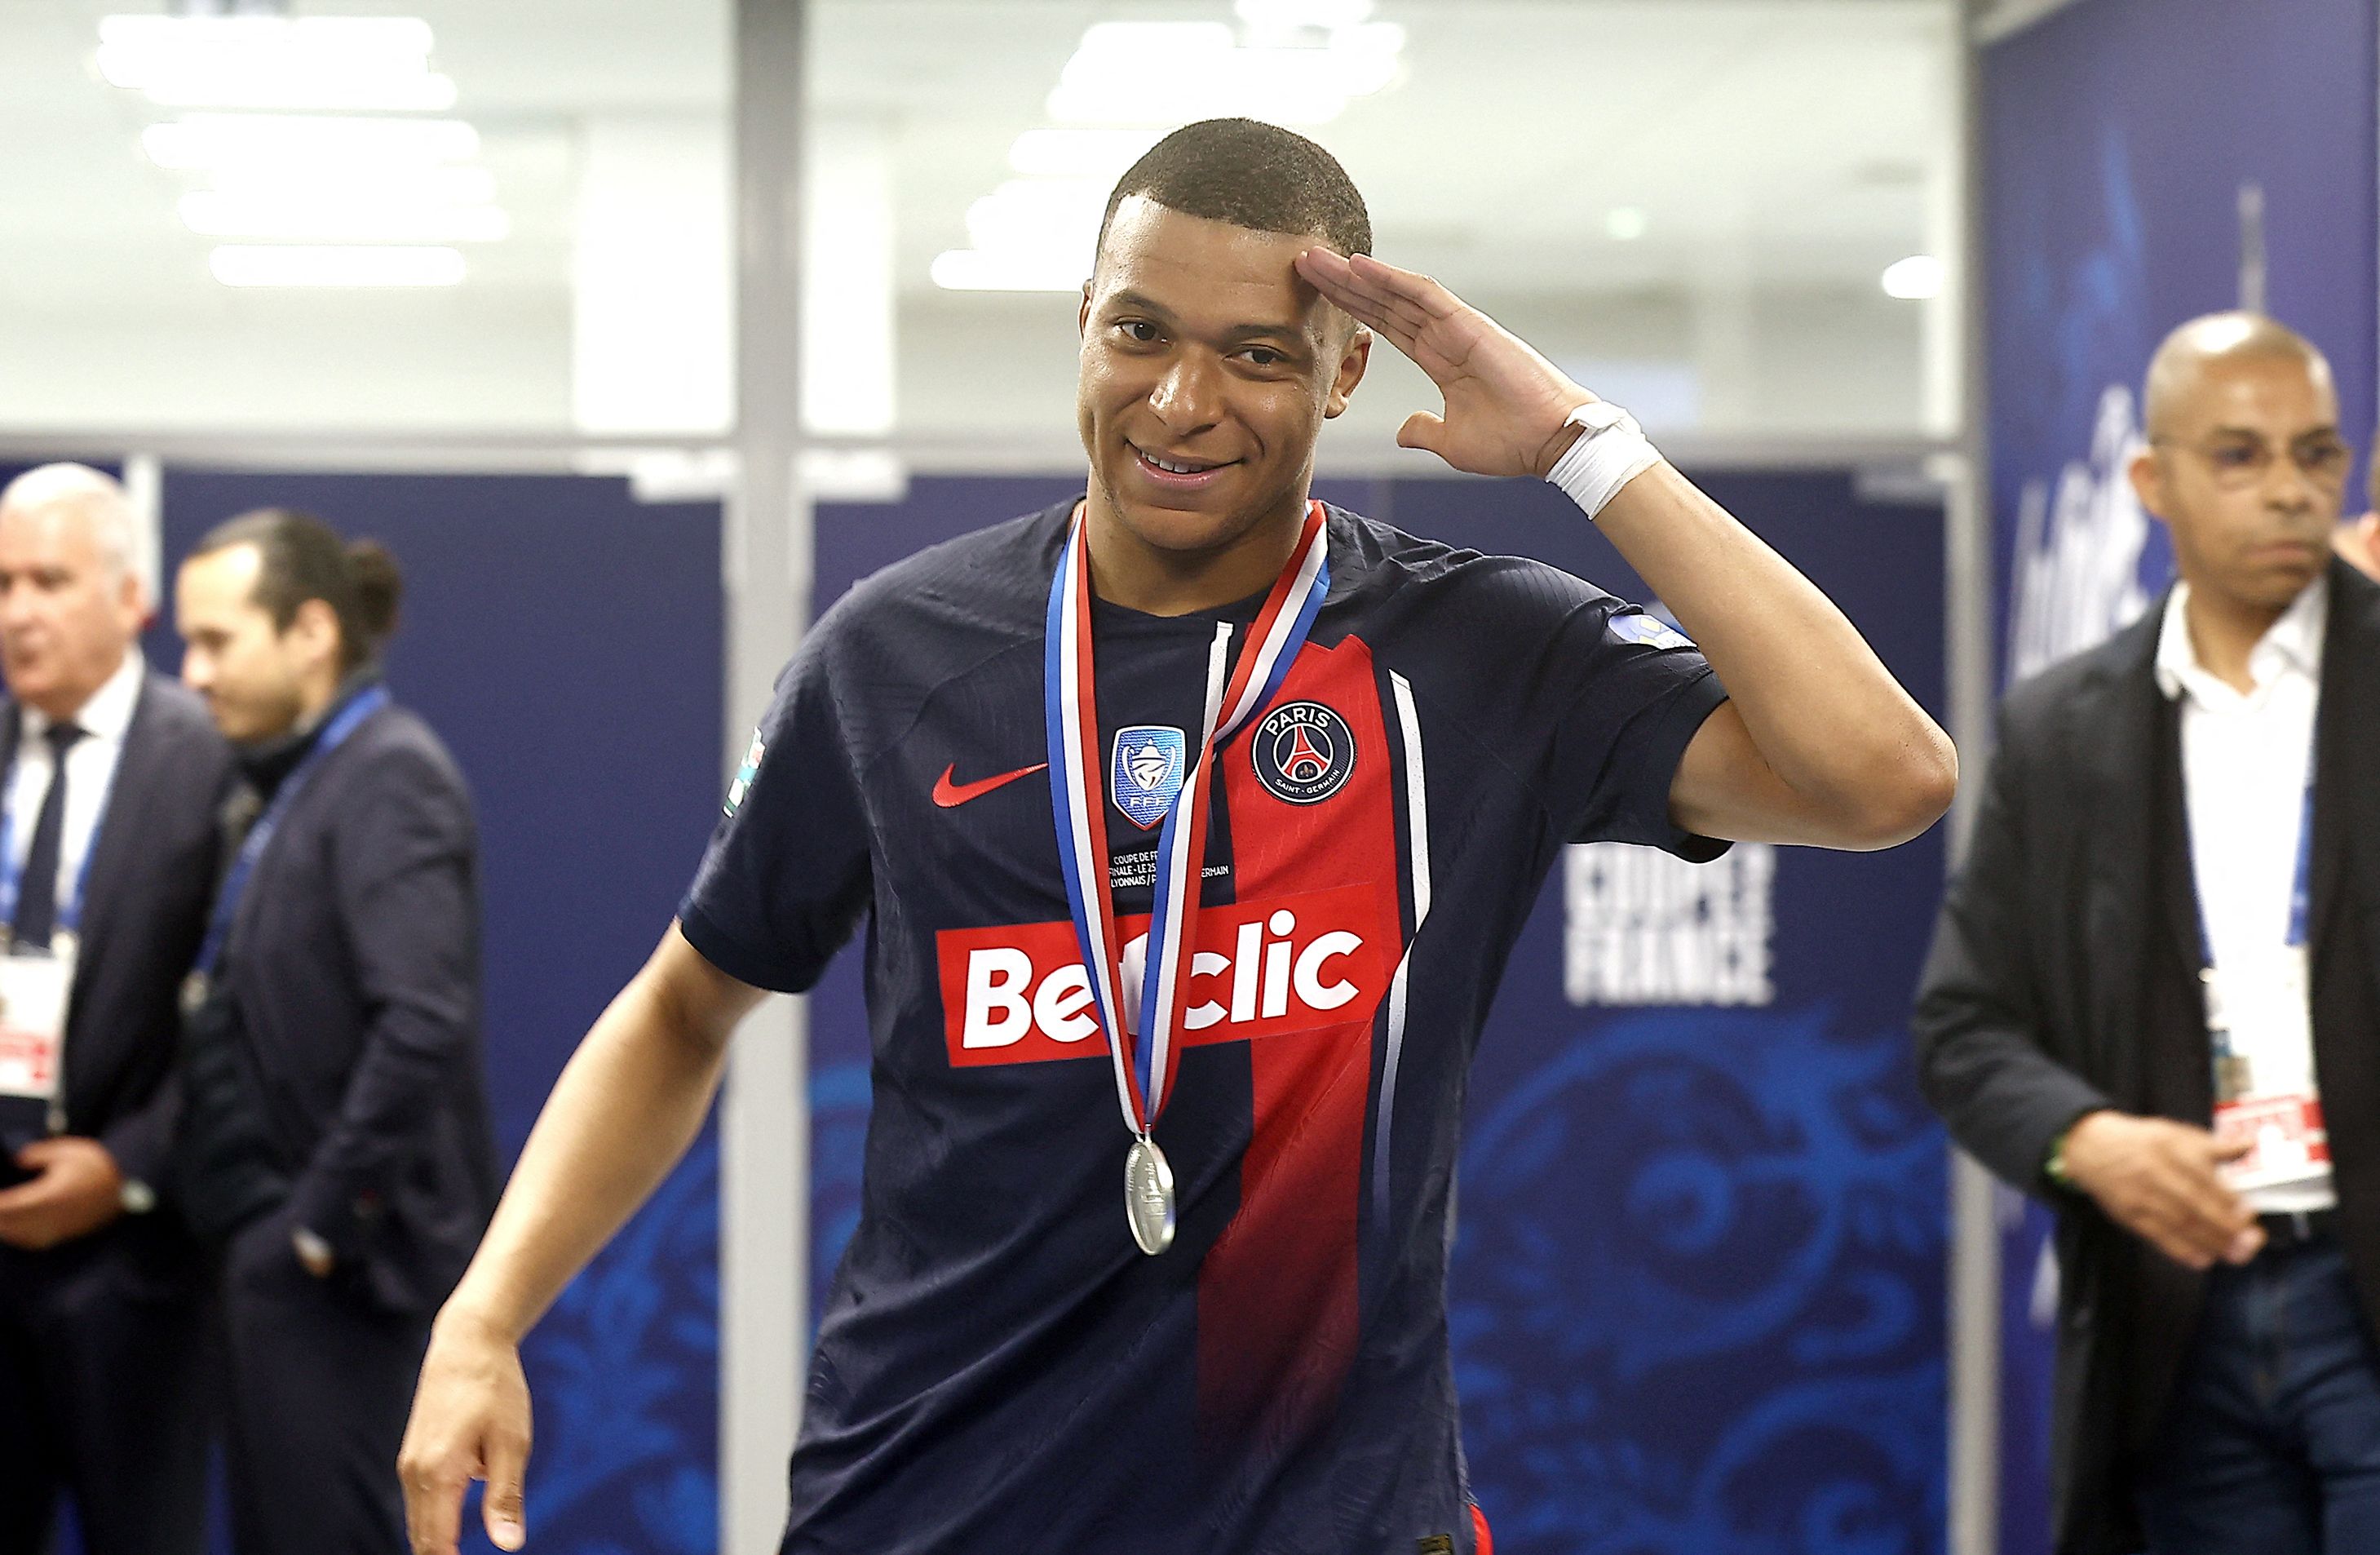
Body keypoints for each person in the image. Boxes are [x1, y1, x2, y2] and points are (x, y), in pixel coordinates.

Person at [400, 117, 1954, 1555]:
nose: (1180, 402)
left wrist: (1582, 447)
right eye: (1137, 330)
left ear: (1343, 376)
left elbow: (1880, 777)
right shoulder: (896, 655)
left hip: (1331, 1514)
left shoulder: (1472, 656)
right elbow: (687, 1001)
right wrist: (485, 1315)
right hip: (932, 1501)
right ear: (1080, 319)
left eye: (1257, 355)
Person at [1915, 312, 2380, 1553]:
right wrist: (2085, 1141)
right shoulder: (2062, 731)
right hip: (2172, 1318)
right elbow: (1963, 1030)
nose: (2288, 487)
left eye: (2317, 454)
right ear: (2150, 479)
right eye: (2237, 455)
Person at [172, 510, 499, 1555]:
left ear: (310, 631)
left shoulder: (388, 776)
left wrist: (316, 1227)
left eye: (218, 642)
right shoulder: (292, 786)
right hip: (284, 1280)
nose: (194, 672)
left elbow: (422, 1021)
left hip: (351, 1285)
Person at [0, 465, 228, 1554]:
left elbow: (247, 1021)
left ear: (131, 596)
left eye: (48, 579)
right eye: (2, 584)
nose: (19, 611)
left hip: (134, 1260)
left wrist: (128, 1165)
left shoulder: (210, 760)